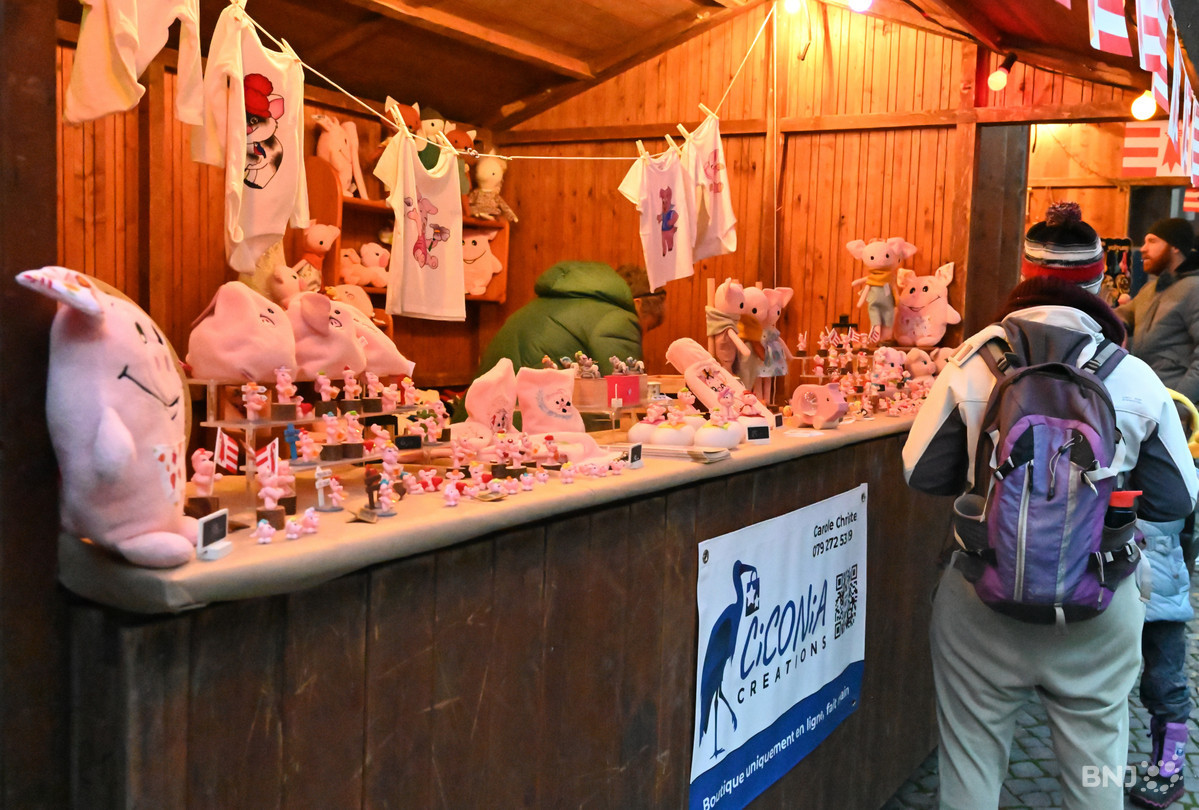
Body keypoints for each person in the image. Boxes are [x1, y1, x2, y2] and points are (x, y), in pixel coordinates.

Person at [903, 203, 1198, 810]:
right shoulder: (1132, 374)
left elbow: (920, 471)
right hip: (1099, 602)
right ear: (1099, 282)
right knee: (1096, 768)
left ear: (1026, 276)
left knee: (970, 762)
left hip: (980, 598)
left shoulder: (973, 360)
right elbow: (1177, 496)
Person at [1115, 217, 1199, 809]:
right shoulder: (1151, 289)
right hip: (1141, 436)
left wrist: (1174, 405)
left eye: (1151, 240)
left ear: (1178, 247)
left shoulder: (1193, 290)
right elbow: (1122, 328)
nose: (1141, 247)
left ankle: (1169, 765)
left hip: (1170, 435)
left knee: (1164, 651)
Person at [476, 260, 663, 377]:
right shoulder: (618, 319)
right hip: (529, 419)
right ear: (637, 304)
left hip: (483, 415)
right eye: (644, 329)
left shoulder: (552, 303)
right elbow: (624, 393)